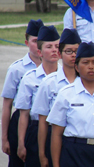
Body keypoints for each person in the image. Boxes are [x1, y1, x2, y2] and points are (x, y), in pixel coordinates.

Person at [31, 29, 81, 167]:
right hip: (53, 138)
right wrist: (42, 154)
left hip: (77, 142)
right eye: (68, 51)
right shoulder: (49, 83)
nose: (73, 55)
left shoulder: (86, 82)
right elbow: (42, 122)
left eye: (77, 51)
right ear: (59, 54)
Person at [14, 26, 61, 166]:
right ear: (39, 52)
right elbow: (24, 114)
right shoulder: (30, 78)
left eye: (57, 46)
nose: (54, 50)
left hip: (60, 131)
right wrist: (21, 143)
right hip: (36, 130)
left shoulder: (67, 77)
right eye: (49, 46)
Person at [1, 19, 43, 167]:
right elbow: (7, 105)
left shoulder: (54, 68)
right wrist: (4, 138)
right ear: (26, 43)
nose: (38, 45)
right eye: (34, 40)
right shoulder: (17, 69)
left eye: (41, 41)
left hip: (43, 123)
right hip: (20, 120)